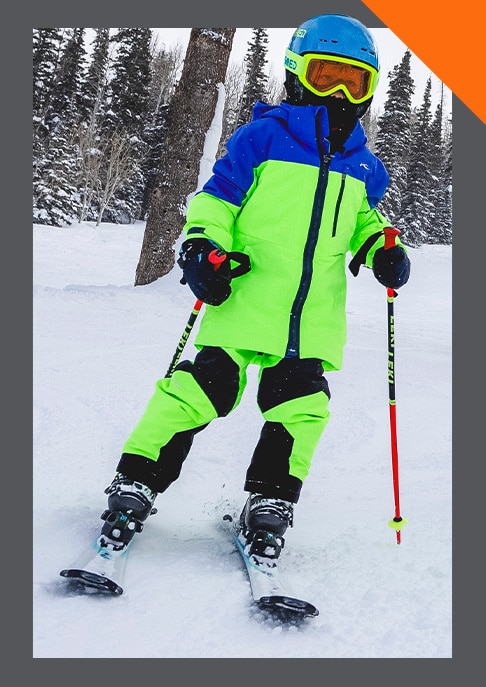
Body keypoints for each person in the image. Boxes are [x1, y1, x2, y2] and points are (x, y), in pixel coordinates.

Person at [99, 14, 411, 564]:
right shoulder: (261, 139)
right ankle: (136, 482)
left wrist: (382, 248)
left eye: (354, 81)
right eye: (325, 75)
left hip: (310, 319)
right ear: (296, 74)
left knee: (303, 407)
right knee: (198, 391)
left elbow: (364, 220)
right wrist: (201, 247)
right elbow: (216, 200)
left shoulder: (364, 166)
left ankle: (270, 501)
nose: (339, 93)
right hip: (244, 299)